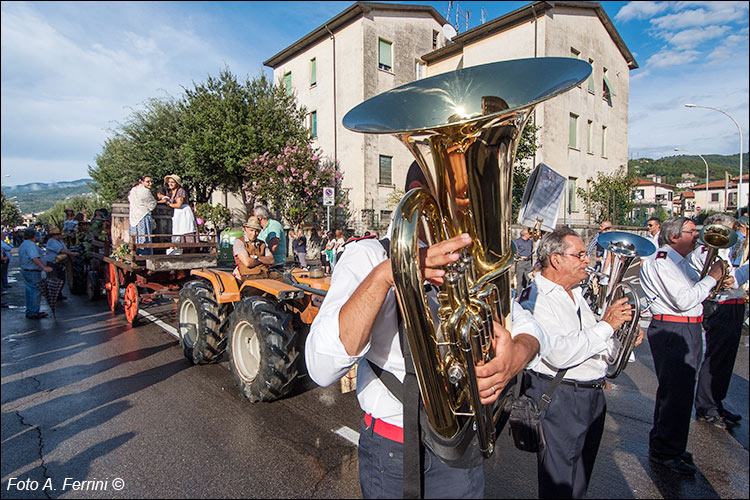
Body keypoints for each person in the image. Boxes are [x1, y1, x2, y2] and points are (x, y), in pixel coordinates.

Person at [305, 161, 550, 499]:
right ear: (421, 194)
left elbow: (526, 323)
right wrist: (390, 274)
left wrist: (517, 355)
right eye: (463, 198)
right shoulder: (368, 254)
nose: (471, 211)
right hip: (395, 451)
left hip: (463, 445)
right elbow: (321, 367)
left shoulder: (469, 259)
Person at [517, 227, 639, 498]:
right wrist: (607, 325)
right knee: (559, 483)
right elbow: (559, 353)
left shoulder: (577, 295)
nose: (588, 260)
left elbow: (598, 349)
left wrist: (623, 339)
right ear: (556, 260)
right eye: (580, 255)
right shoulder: (534, 298)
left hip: (591, 395)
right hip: (561, 396)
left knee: (580, 480)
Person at [639, 216, 726, 475]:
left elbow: (696, 293)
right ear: (674, 236)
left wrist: (714, 280)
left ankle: (669, 444)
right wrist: (712, 277)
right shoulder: (664, 262)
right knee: (676, 391)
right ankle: (665, 450)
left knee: (679, 390)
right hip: (674, 326)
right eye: (691, 231)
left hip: (683, 326)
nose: (697, 235)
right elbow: (684, 299)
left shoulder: (680, 262)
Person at [686, 214, 745, 430]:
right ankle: (706, 407)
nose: (733, 235)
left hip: (734, 302)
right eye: (729, 230)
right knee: (716, 358)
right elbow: (705, 278)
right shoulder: (705, 251)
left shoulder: (727, 250)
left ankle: (717, 402)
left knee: (726, 360)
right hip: (720, 305)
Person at [19, 228, 53, 319]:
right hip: (32, 272)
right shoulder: (30, 245)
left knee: (29, 292)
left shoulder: (24, 244)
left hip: (27, 271)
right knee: (36, 292)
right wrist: (44, 268)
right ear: (34, 236)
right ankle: (33, 312)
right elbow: (34, 258)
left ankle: (30, 310)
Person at [159, 174, 197, 254]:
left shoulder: (180, 191)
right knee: (178, 231)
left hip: (183, 212)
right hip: (178, 213)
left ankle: (190, 253)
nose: (170, 184)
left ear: (177, 183)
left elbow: (179, 205)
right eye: (169, 182)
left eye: (172, 182)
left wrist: (169, 204)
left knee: (186, 231)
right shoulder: (171, 192)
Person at [232, 216, 276, 280]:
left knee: (287, 280)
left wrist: (257, 257)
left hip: (266, 274)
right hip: (250, 276)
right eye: (251, 230)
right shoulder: (239, 242)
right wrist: (264, 260)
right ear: (245, 230)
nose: (254, 234)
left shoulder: (262, 244)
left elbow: (271, 260)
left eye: (257, 231)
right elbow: (248, 263)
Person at [44, 227, 79, 301]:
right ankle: (52, 296)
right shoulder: (52, 241)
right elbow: (61, 251)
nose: (60, 236)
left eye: (60, 234)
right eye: (57, 234)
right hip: (52, 263)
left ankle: (58, 295)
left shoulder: (60, 241)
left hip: (59, 263)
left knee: (61, 279)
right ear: (53, 235)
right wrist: (72, 253)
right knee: (53, 280)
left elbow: (65, 249)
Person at [128, 175, 157, 256]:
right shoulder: (145, 191)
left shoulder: (133, 190)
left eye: (151, 182)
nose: (150, 184)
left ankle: (134, 254)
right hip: (143, 216)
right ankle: (144, 256)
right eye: (148, 182)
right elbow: (151, 205)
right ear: (142, 182)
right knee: (144, 236)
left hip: (134, 216)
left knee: (135, 237)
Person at [513, 228, 534, 297]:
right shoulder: (517, 242)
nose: (530, 235)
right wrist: (521, 257)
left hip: (528, 263)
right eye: (529, 233)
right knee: (519, 280)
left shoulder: (530, 242)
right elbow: (515, 252)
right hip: (521, 262)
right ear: (525, 234)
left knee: (529, 278)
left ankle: (529, 294)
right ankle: (518, 295)